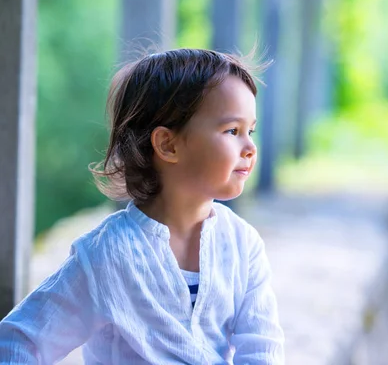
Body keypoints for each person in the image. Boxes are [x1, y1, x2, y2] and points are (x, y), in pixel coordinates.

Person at [0, 48, 285, 364]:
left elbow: (262, 349)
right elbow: (20, 341)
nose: (250, 148)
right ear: (167, 144)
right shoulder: (107, 254)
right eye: (232, 131)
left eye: (251, 131)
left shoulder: (243, 245)